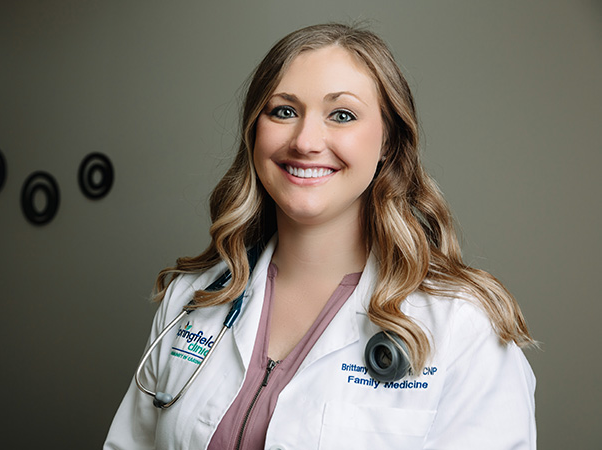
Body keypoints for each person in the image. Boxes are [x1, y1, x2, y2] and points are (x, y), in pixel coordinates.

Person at [104, 23, 536, 449]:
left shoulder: (462, 329)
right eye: (284, 111)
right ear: (255, 132)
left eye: (342, 115)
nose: (306, 141)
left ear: (388, 141)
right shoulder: (193, 301)